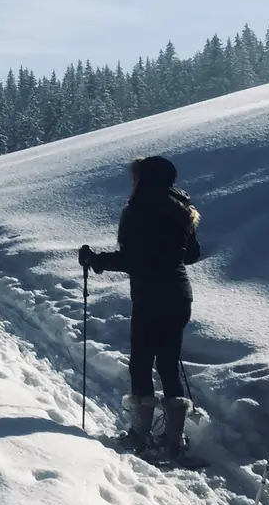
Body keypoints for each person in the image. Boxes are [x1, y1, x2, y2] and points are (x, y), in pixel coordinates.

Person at [78, 155, 200, 459]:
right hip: (179, 293)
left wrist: (95, 260)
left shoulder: (138, 210)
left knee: (142, 363)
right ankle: (173, 440)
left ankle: (140, 435)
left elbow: (131, 258)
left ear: (143, 179)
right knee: (168, 363)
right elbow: (191, 255)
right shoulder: (183, 209)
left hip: (150, 295)